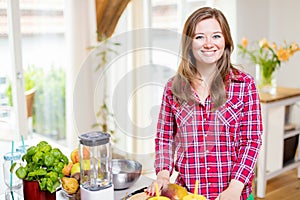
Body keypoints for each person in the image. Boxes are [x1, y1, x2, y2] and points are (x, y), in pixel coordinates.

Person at [145, 7, 262, 200]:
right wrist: (163, 175)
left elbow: (251, 142)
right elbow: (165, 138)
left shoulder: (244, 85)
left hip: (233, 193)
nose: (209, 44)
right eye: (199, 37)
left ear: (225, 41)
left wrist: (235, 188)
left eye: (216, 36)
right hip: (187, 193)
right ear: (189, 44)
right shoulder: (172, 88)